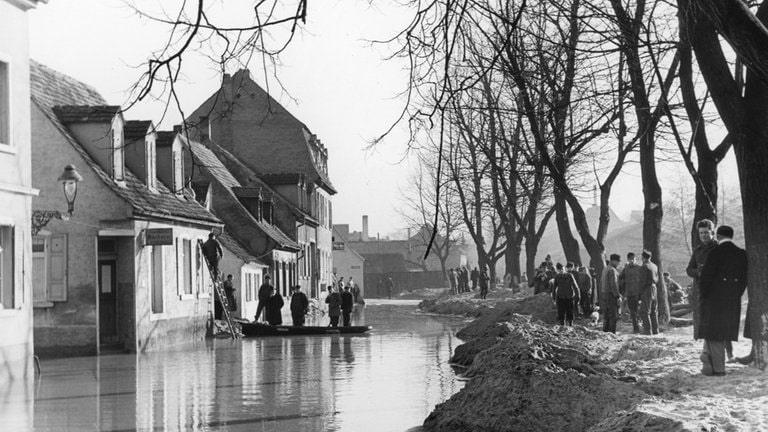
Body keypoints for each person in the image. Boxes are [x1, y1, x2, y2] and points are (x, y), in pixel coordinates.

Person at [698, 225, 748, 376]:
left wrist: (705, 295)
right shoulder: (741, 253)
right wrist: (736, 294)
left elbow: (706, 278)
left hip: (715, 299)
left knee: (714, 333)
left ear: (718, 236)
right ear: (731, 236)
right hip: (732, 299)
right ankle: (707, 357)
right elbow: (744, 279)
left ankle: (718, 368)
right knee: (723, 331)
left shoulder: (715, 253)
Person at [686, 219, 718, 341]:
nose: (703, 235)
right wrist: (698, 272)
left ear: (712, 233)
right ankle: (707, 348)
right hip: (701, 291)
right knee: (704, 319)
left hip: (715, 291)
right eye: (701, 233)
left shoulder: (718, 249)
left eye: (706, 232)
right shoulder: (698, 250)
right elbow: (689, 269)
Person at [619, 252, 642, 334]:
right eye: (630, 259)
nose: (632, 260)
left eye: (633, 259)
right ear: (628, 260)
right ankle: (636, 329)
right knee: (632, 312)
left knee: (639, 311)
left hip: (638, 293)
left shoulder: (639, 268)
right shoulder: (626, 269)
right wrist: (623, 289)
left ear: (636, 259)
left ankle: (640, 325)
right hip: (629, 293)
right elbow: (620, 279)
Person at [638, 250, 659, 335]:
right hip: (654, 288)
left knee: (645, 311)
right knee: (654, 311)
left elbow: (642, 281)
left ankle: (647, 330)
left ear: (643, 258)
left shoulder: (644, 267)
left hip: (647, 289)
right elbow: (657, 278)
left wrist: (639, 293)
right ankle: (655, 330)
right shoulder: (655, 266)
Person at [600, 254, 622, 333]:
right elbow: (614, 284)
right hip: (611, 295)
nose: (619, 263)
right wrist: (617, 296)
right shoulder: (612, 270)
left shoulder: (605, 269)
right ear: (613, 261)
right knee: (613, 315)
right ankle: (611, 333)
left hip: (604, 294)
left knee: (606, 316)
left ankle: (605, 332)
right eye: (618, 262)